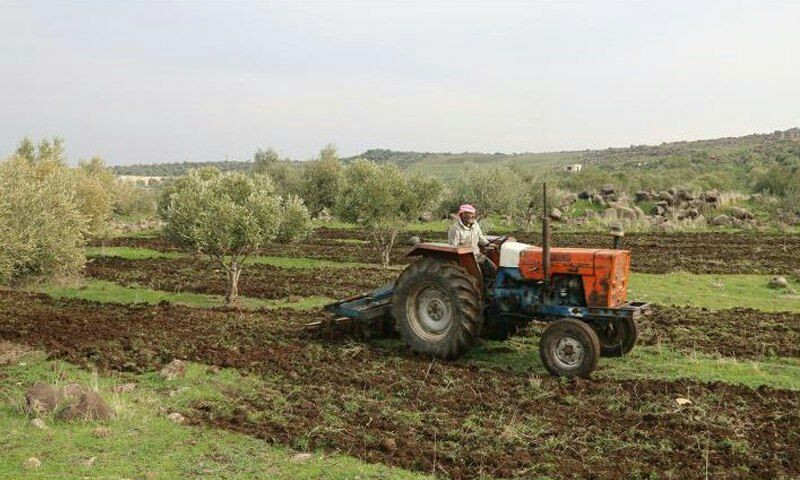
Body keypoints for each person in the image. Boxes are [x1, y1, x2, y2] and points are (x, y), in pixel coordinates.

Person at [448, 204, 497, 283]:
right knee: (488, 265)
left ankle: (490, 284)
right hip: (464, 257)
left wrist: (488, 244)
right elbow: (453, 247)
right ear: (462, 215)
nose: (472, 216)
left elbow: (480, 237)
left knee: (493, 268)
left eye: (473, 214)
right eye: (470, 214)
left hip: (476, 254)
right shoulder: (455, 229)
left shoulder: (475, 225)